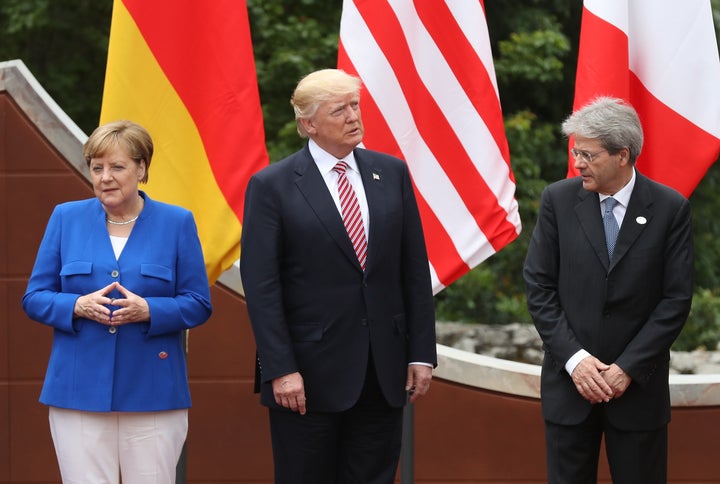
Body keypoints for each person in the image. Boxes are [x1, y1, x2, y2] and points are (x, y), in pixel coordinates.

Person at [240, 68, 437, 484]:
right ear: (309, 124)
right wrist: (281, 368)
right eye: (339, 110)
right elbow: (262, 287)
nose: (353, 117)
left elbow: (413, 270)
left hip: (383, 373)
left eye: (355, 105)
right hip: (307, 378)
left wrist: (420, 352)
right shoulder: (272, 186)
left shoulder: (392, 173)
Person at [22, 120, 213, 483]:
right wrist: (75, 306)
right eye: (97, 167)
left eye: (117, 166)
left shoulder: (176, 222)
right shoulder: (66, 218)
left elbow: (198, 303)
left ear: (142, 169)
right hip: (77, 390)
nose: (105, 177)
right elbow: (34, 297)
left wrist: (150, 310)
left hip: (153, 391)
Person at [523, 97, 694, 483]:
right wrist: (576, 361)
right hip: (570, 388)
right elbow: (539, 285)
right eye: (575, 152)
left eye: (588, 154)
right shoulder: (558, 200)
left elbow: (676, 300)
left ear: (623, 155)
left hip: (637, 394)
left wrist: (627, 369)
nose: (577, 162)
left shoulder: (670, 209)